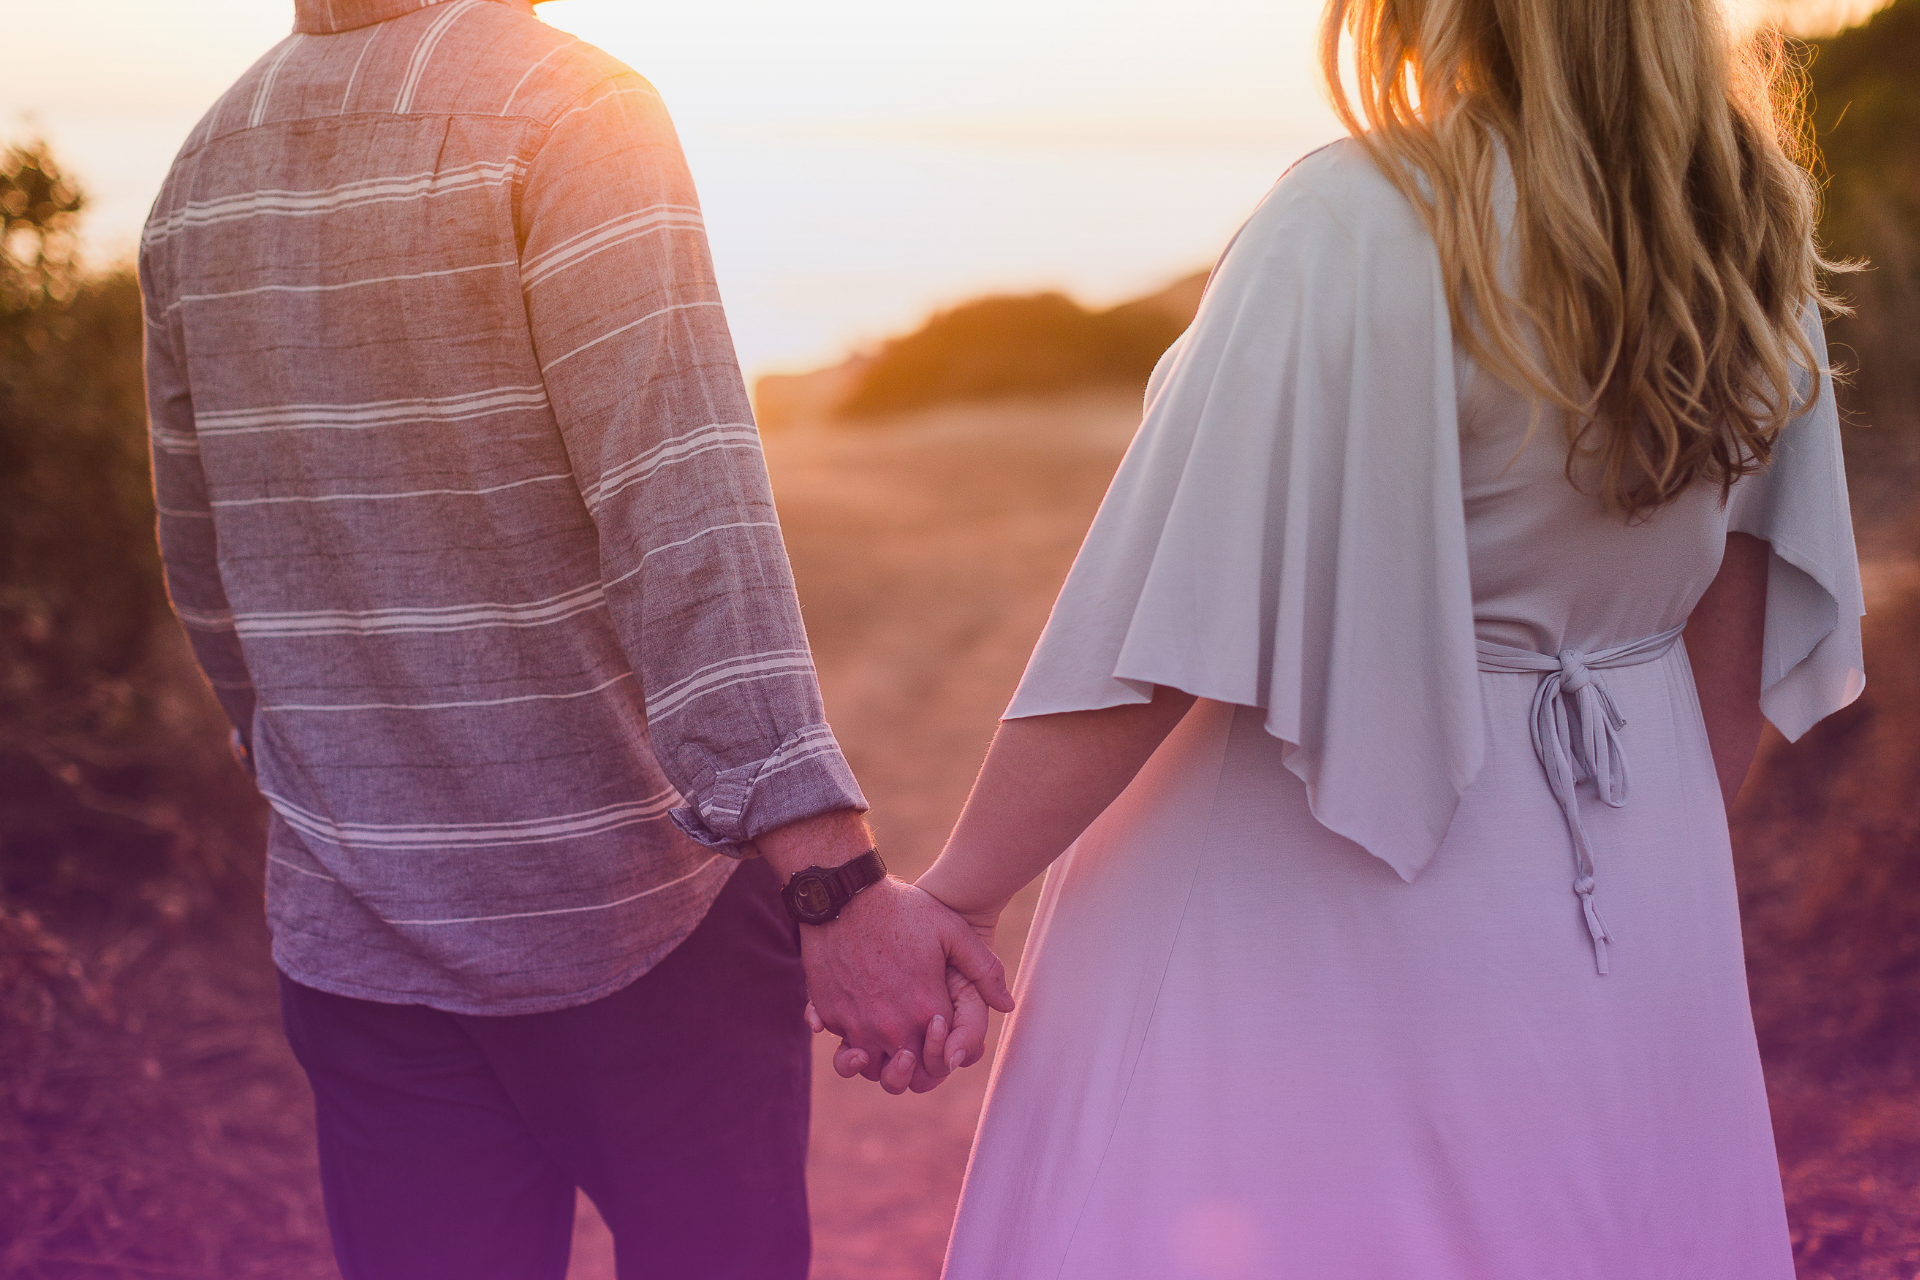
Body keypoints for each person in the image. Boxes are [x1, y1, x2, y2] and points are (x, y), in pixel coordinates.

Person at [841, 0, 1866, 1275]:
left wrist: (958, 890)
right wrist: (1631, 877)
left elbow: (1157, 628)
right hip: (1632, 872)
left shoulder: (1360, 218)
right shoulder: (1751, 230)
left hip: (1325, 914)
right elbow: (1732, 631)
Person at [139, 2, 1008, 1277]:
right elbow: (684, 513)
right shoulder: (570, 110)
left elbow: (203, 566)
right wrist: (830, 880)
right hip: (634, 927)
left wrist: (327, 774)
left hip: (359, 935)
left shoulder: (196, 178)